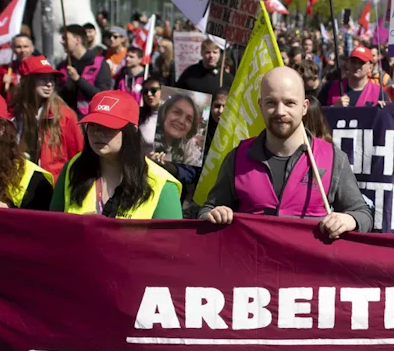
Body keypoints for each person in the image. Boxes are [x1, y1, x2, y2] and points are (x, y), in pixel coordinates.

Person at [199, 67, 373, 238]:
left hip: (308, 257)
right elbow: (207, 210)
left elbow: (362, 214)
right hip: (251, 256)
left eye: (290, 103)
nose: (280, 112)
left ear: (304, 107)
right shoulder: (238, 157)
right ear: (260, 105)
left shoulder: (333, 158)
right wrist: (213, 215)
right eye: (271, 103)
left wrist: (350, 220)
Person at [50, 91, 183, 219]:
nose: (98, 133)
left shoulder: (163, 185)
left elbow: (169, 235)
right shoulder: (72, 169)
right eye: (93, 125)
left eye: (109, 126)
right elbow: (52, 227)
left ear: (132, 130)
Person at [11, 56, 84, 181]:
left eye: (51, 79)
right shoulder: (14, 113)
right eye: (42, 79)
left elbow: (78, 156)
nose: (49, 84)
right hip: (21, 182)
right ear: (28, 81)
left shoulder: (65, 116)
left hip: (54, 185)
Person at [57, 24, 113, 117]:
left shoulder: (99, 64)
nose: (62, 42)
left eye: (65, 38)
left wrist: (78, 80)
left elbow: (103, 97)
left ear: (77, 40)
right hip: (67, 118)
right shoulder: (62, 66)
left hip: (90, 119)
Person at [150, 92, 204, 171]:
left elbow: (191, 173)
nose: (181, 121)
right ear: (165, 112)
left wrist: (174, 170)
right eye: (177, 113)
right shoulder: (148, 133)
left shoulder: (188, 146)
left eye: (188, 119)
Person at [0, 34, 35, 101]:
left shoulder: (42, 66)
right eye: (18, 47)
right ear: (13, 49)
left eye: (26, 46)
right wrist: (2, 84)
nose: (22, 50)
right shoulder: (3, 71)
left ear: (32, 48)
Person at [139, 78, 163, 155]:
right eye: (145, 91)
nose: (149, 94)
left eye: (153, 90)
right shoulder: (139, 115)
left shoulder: (172, 117)